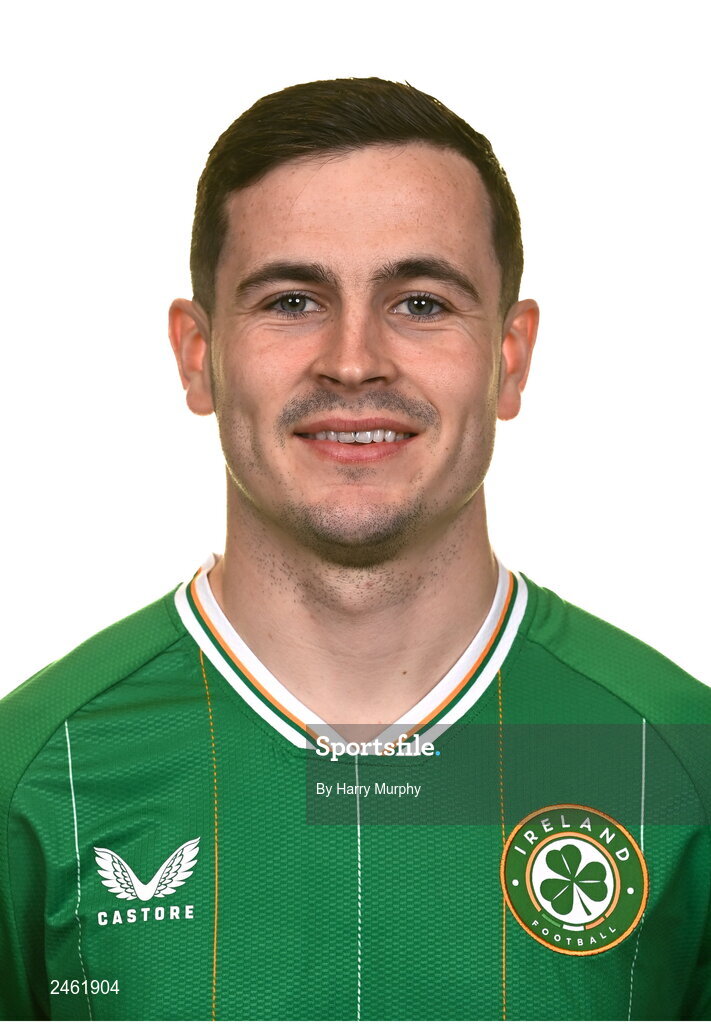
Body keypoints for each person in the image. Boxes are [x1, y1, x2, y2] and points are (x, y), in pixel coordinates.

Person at [0, 77, 708, 1023]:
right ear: (197, 355)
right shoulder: (37, 773)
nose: (352, 359)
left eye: (420, 303)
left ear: (510, 357)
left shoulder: (676, 757)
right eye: (292, 300)